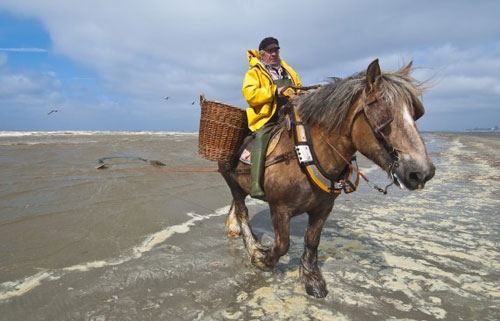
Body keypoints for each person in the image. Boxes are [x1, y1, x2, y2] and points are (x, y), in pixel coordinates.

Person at [242, 37, 302, 199]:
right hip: (267, 116)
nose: (274, 54)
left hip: (290, 112)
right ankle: (255, 184)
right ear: (262, 54)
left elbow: (298, 86)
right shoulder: (254, 72)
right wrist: (274, 91)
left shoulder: (288, 70)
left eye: (276, 50)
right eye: (270, 51)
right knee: (261, 137)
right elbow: (250, 94)